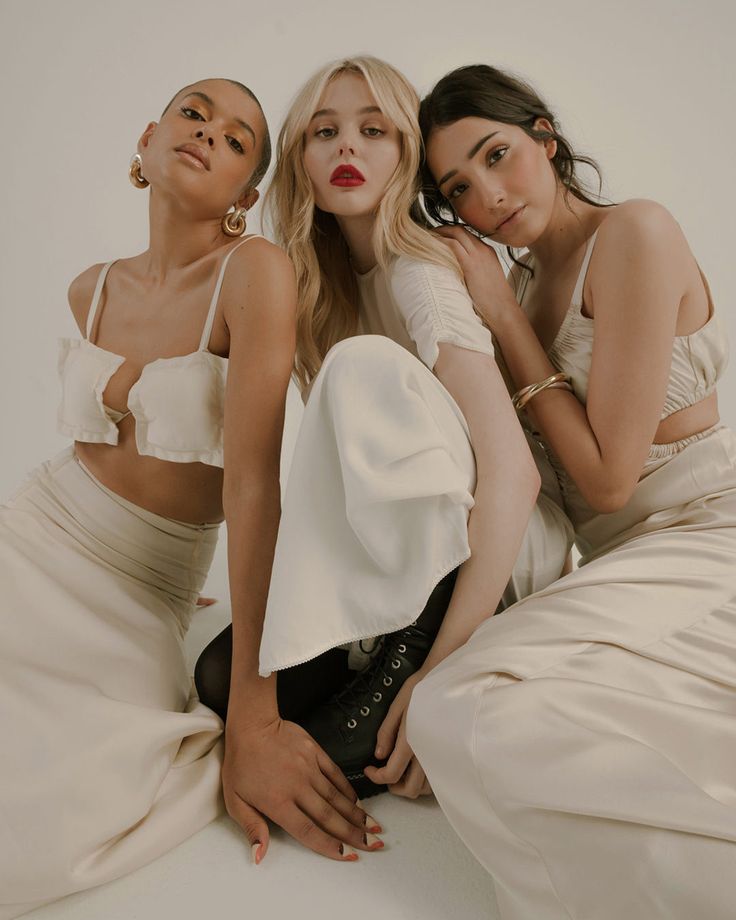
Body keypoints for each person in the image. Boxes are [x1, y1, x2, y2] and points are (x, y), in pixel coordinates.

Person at [0, 77, 371, 919]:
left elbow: (253, 485)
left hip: (138, 589)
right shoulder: (89, 287)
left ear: (246, 193)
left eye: (239, 139)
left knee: (50, 791)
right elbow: (101, 448)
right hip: (35, 530)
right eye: (194, 113)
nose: (209, 132)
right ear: (147, 139)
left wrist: (256, 711)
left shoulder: (253, 273)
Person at [404, 63, 736, 920]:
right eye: (460, 188)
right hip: (621, 565)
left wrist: (503, 319)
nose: (491, 195)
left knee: (451, 706)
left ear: (545, 139)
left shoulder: (634, 235)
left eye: (499, 154)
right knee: (472, 711)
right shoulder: (514, 286)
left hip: (710, 536)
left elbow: (608, 475)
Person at [196, 56, 573, 807]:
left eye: (374, 131)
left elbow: (514, 475)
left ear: (407, 153)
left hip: (502, 548)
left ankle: (407, 649)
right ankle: (374, 642)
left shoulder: (419, 271)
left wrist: (443, 671)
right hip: (409, 548)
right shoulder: (317, 292)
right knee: (218, 677)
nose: (346, 149)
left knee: (366, 365)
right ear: (300, 158)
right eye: (324, 132)